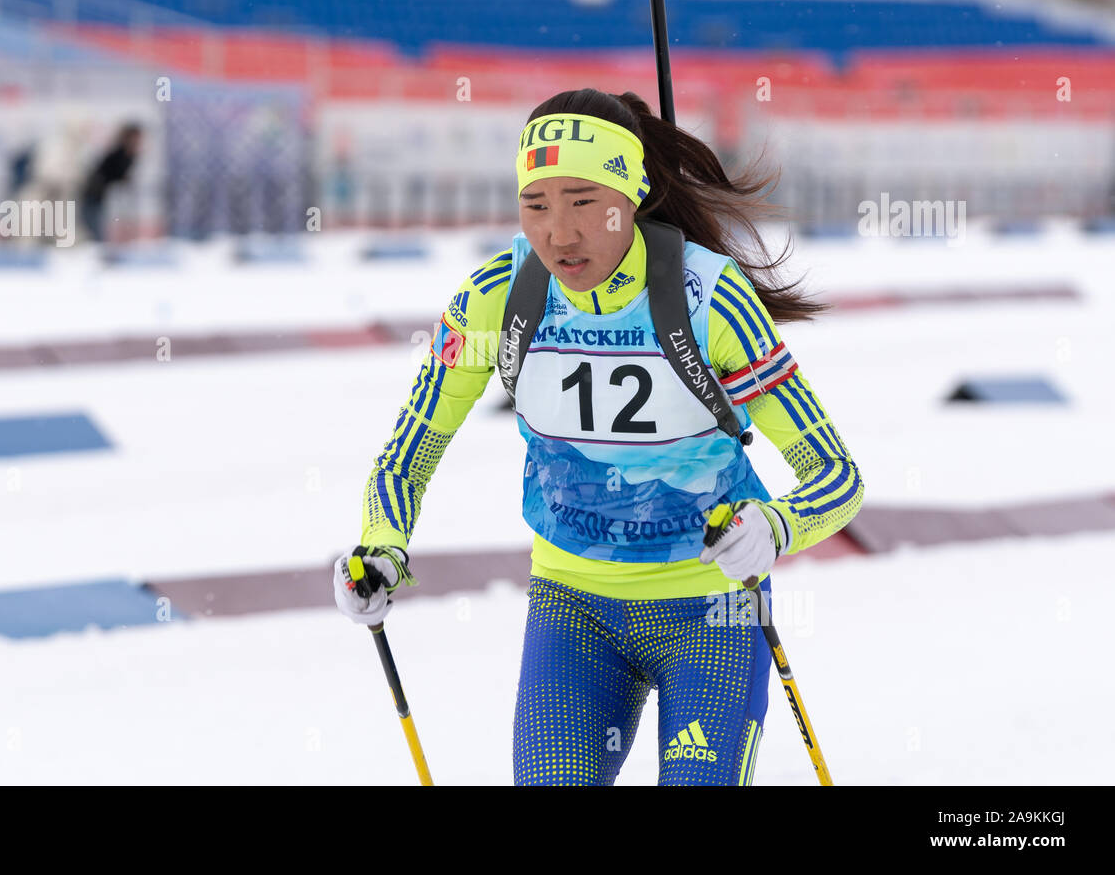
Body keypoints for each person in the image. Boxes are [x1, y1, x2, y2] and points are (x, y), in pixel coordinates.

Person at [333, 88, 864, 786]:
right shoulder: (495, 299)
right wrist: (380, 546)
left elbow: (835, 475)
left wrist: (777, 526)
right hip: (572, 608)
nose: (557, 232)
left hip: (711, 610)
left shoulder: (709, 298)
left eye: (584, 202)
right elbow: (410, 453)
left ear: (633, 195)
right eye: (536, 205)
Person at [79, 122, 144, 244]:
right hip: (93, 194)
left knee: (96, 226)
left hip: (100, 195)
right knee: (93, 227)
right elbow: (109, 174)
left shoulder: (128, 155)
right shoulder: (119, 153)